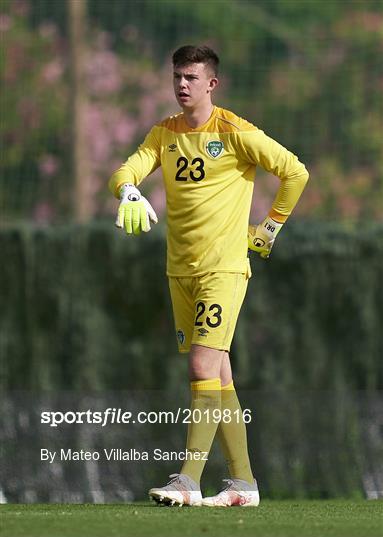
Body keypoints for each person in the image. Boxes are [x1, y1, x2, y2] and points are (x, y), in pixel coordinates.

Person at [108, 45, 309, 507]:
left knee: (200, 366)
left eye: (191, 78)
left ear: (211, 84)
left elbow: (295, 172)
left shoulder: (235, 130)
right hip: (180, 269)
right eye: (177, 76)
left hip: (224, 267)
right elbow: (127, 168)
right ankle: (244, 484)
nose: (182, 84)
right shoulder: (165, 133)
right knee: (218, 377)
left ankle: (189, 479)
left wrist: (269, 228)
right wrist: (128, 191)